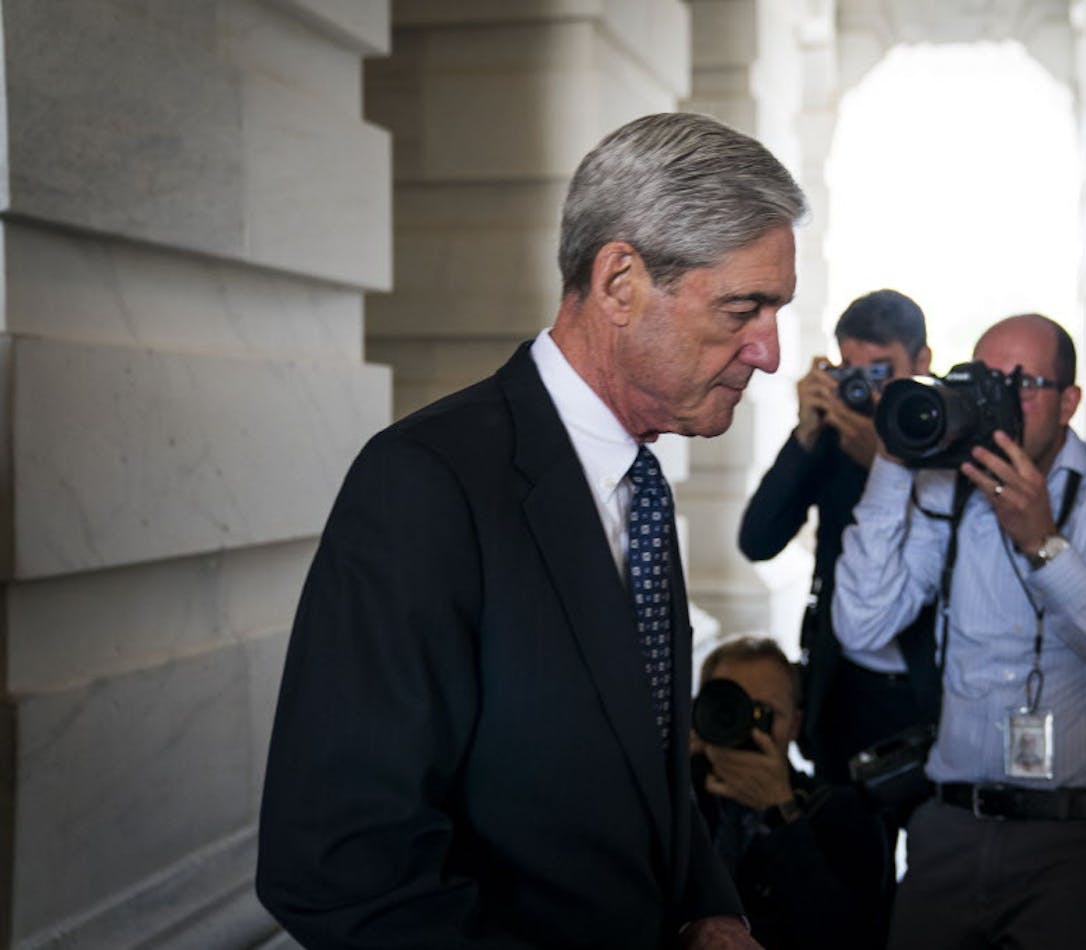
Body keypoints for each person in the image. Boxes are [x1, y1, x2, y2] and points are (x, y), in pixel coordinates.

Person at [256, 112, 806, 949]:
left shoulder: (644, 484)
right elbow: (337, 869)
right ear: (620, 281)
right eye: (744, 309)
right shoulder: (423, 483)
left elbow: (643, 761)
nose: (769, 352)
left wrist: (708, 907)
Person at [833, 313, 1086, 949]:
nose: (996, 402)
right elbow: (861, 628)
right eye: (980, 382)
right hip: (948, 830)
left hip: (1081, 841)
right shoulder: (946, 484)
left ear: (1070, 400)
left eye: (1021, 385)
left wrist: (1046, 546)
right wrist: (892, 463)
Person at [737, 290, 933, 783]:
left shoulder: (944, 432)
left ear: (922, 362)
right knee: (842, 849)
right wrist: (805, 433)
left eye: (881, 371)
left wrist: (884, 466)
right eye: (851, 370)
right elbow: (757, 540)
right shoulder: (833, 435)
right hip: (841, 685)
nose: (866, 390)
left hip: (931, 689)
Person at [692, 638, 892, 950]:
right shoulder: (678, 803)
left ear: (794, 724)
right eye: (729, 708)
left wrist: (782, 811)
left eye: (763, 713)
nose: (745, 728)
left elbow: (847, 935)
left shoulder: (841, 812)